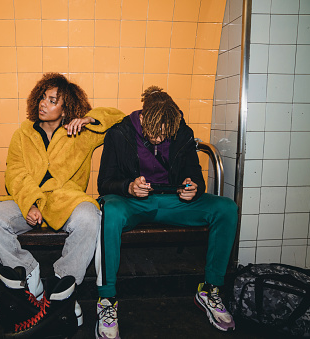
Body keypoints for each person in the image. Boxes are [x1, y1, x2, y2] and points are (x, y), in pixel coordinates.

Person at [0, 73, 125, 334]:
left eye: (52, 100)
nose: (43, 104)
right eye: (43, 98)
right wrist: (30, 203)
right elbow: (14, 172)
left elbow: (120, 117)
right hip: (27, 201)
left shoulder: (81, 131)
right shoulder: (23, 133)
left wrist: (90, 118)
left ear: (66, 107)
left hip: (65, 200)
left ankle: (61, 287)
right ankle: (31, 278)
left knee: (91, 216)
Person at [95, 86, 238, 338]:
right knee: (111, 210)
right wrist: (128, 186)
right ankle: (107, 300)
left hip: (174, 202)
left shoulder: (182, 132)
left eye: (165, 133)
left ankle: (210, 289)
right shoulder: (119, 133)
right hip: (135, 202)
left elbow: (194, 174)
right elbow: (105, 182)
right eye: (154, 131)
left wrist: (193, 187)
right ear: (143, 117)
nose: (160, 138)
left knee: (226, 208)